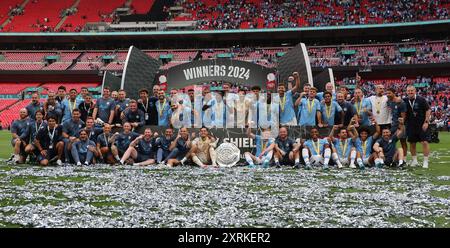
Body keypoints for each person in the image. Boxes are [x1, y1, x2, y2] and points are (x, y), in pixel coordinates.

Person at [404, 85, 431, 168]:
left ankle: (425, 162)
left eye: (412, 90)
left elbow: (428, 110)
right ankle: (414, 161)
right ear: (406, 92)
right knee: (412, 143)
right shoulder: (404, 100)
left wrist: (426, 122)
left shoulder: (421, 99)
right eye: (408, 91)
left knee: (424, 142)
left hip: (421, 124)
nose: (410, 92)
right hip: (410, 125)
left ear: (415, 91)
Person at [386, 88, 407, 160]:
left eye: (389, 93)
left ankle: (404, 159)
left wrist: (400, 126)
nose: (388, 95)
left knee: (403, 141)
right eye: (387, 93)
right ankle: (393, 156)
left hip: (401, 125)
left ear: (394, 93)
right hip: (393, 125)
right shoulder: (388, 102)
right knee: (391, 141)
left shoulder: (400, 102)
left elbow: (403, 116)